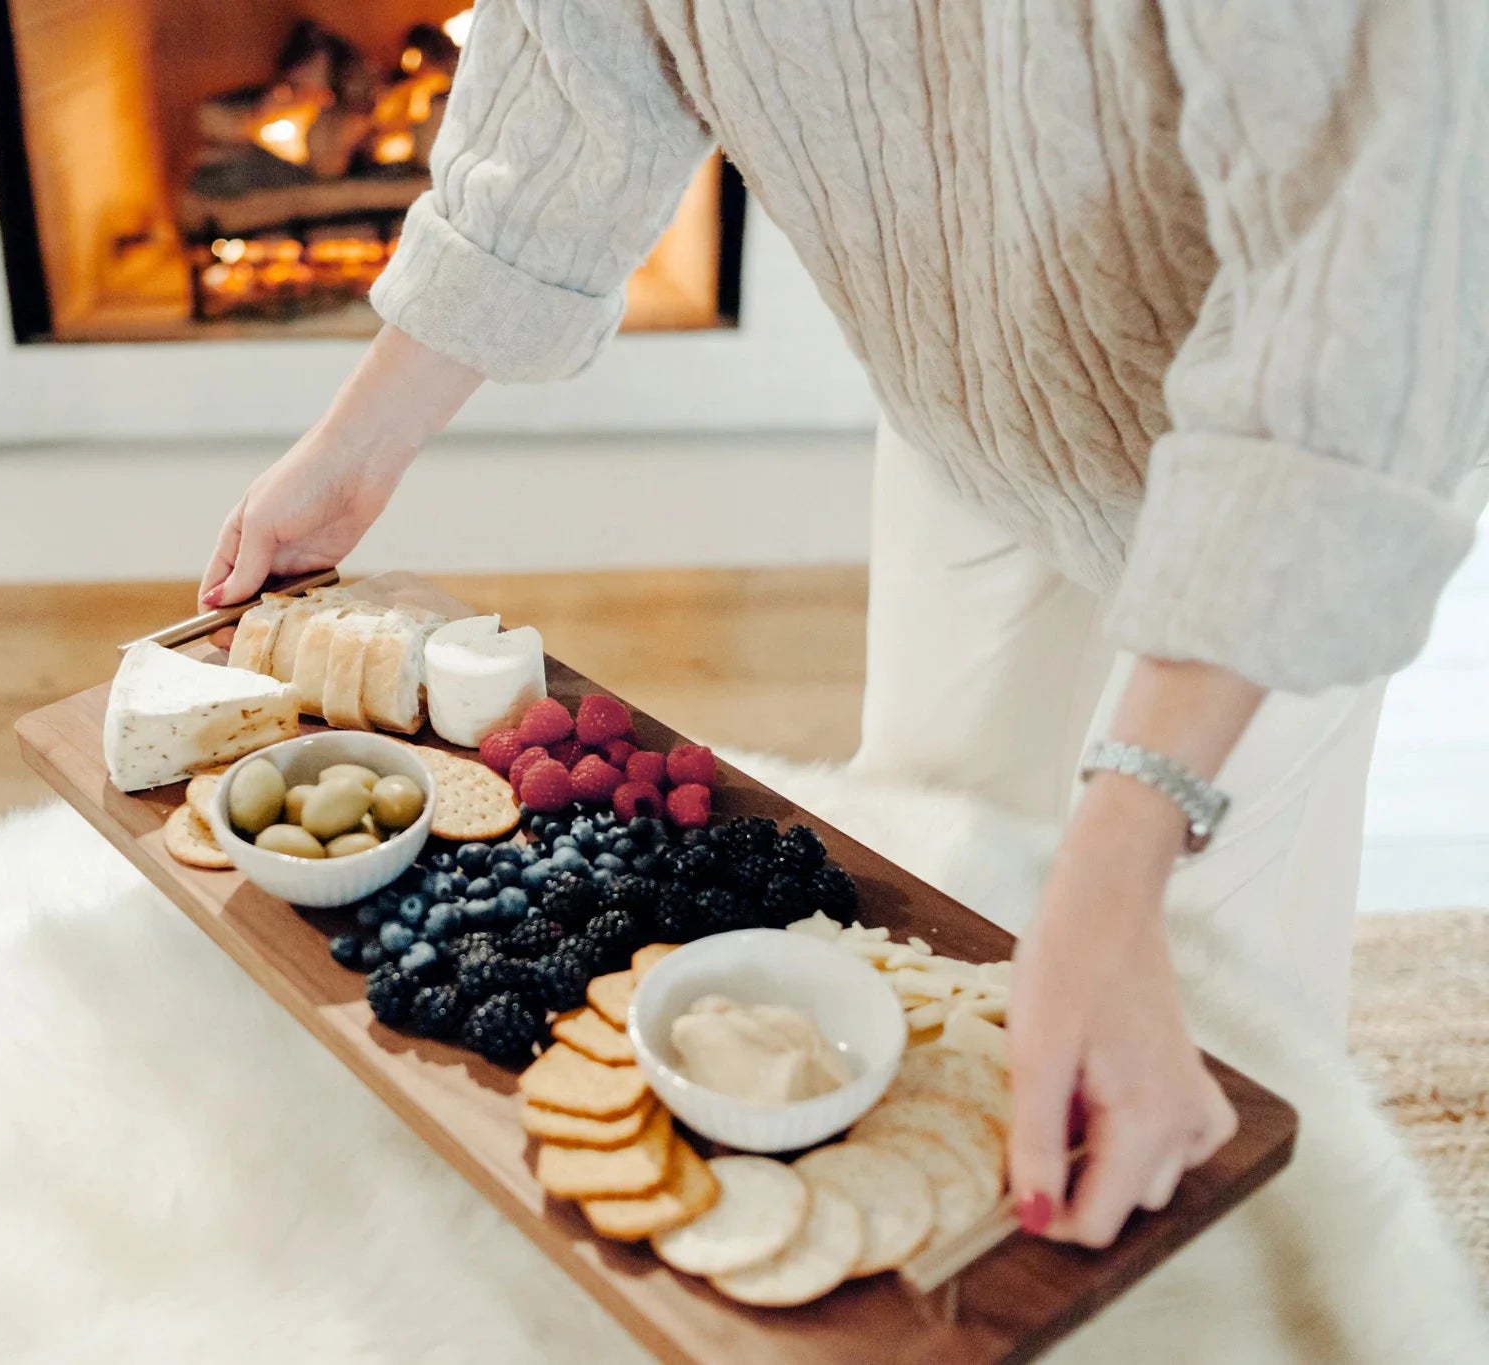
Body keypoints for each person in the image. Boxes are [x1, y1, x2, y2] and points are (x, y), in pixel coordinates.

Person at [198, 3, 1488, 1250]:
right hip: (966, 410)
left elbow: (1371, 300)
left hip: (1282, 480)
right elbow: (571, 69)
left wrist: (1122, 854)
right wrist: (357, 446)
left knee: (1212, 992)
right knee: (938, 876)